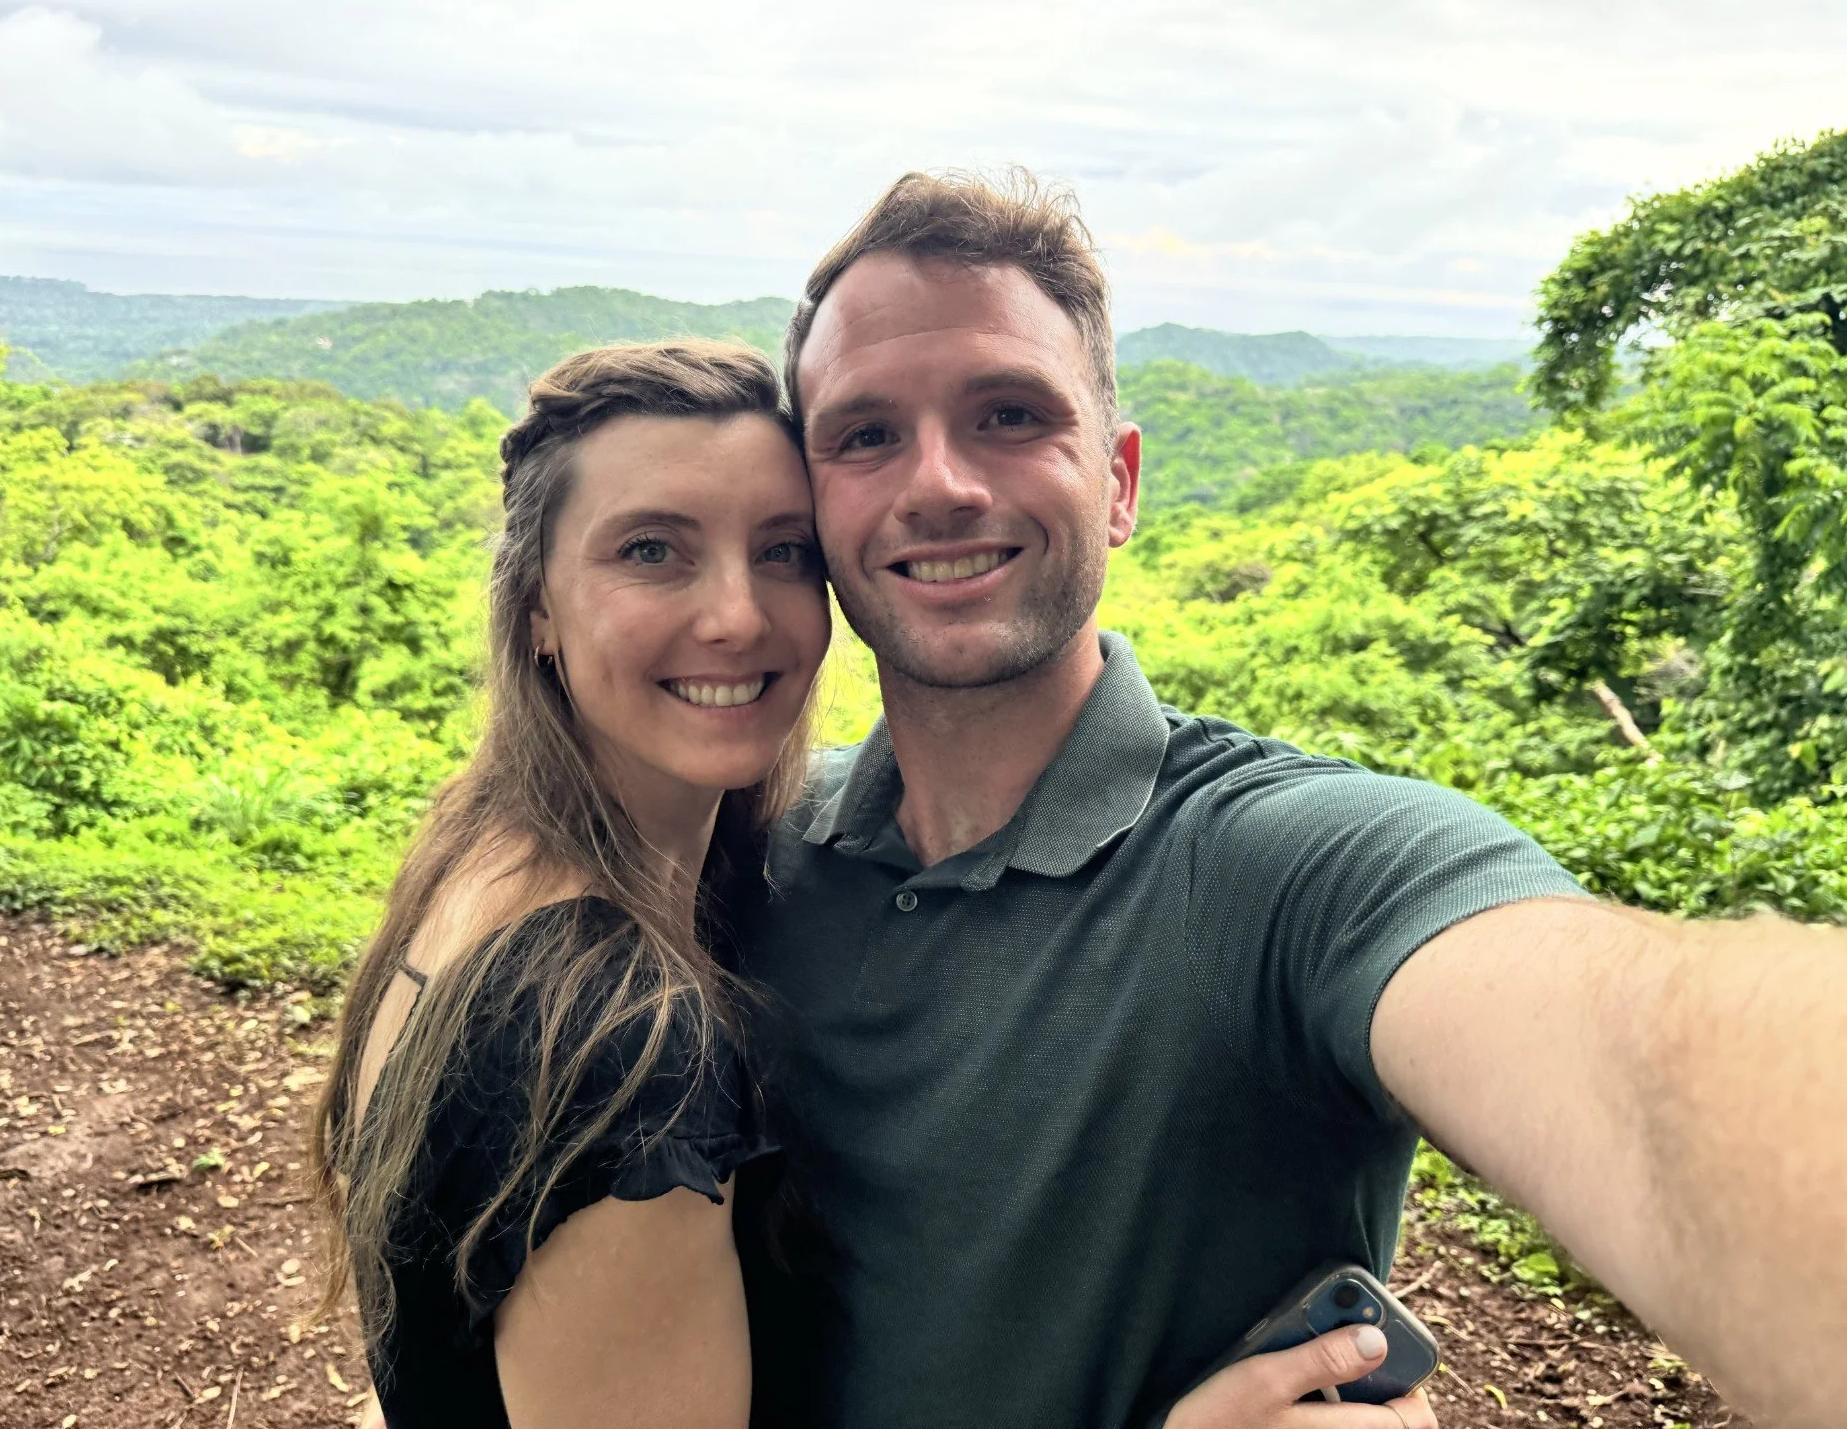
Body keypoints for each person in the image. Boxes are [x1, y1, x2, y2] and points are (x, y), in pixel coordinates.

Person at [731, 171, 1847, 1429]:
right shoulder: (746, 853)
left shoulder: (1294, 869)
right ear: (810, 507)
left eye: (1008, 415)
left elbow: (1645, 1068)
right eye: (865, 433)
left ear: (1119, 482)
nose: (938, 482)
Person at [309, 340, 832, 1429]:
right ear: (536, 608)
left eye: (785, 551)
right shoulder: (618, 1038)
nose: (739, 615)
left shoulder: (483, 846)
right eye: (652, 550)